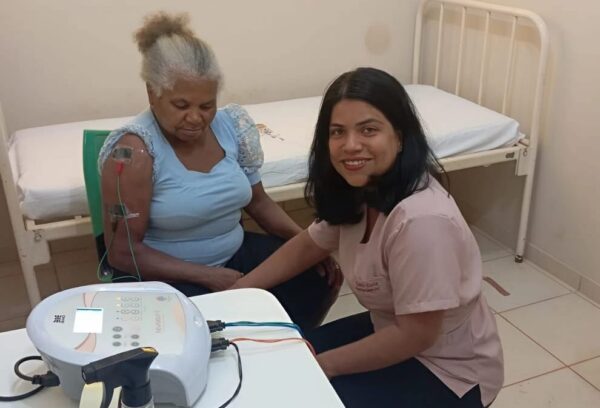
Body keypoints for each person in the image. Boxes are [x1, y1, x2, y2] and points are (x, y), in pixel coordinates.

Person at [231, 67, 503, 407]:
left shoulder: (422, 220)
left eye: (368, 130)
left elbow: (417, 334)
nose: (350, 146)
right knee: (283, 361)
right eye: (337, 132)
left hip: (448, 368)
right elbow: (309, 244)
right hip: (390, 328)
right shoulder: (363, 190)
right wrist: (239, 290)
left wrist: (324, 367)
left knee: (299, 393)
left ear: (399, 137)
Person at [97, 12, 340, 330]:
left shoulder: (231, 126)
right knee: (210, 332)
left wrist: (307, 244)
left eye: (206, 106)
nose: (196, 118)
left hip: (234, 252)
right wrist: (208, 276)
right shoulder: (133, 153)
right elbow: (123, 253)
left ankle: (291, 346)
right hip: (167, 275)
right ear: (152, 93)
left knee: (317, 277)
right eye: (181, 106)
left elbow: (259, 203)